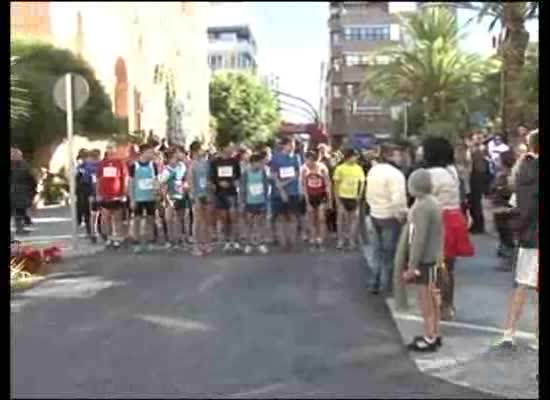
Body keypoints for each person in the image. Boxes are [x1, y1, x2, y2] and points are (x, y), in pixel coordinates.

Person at [493, 130, 538, 350]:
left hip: (529, 237)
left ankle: (509, 332)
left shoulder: (523, 170)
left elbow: (518, 205)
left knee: (521, 285)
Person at [423, 137, 474, 321]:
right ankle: (448, 304)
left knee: (436, 265)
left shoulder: (430, 174)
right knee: (449, 266)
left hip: (438, 218)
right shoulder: (452, 171)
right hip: (455, 216)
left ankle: (440, 304)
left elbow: (424, 199)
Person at [397, 168, 444, 352]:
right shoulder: (433, 202)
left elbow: (417, 238)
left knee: (425, 300)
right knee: (433, 298)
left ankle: (429, 336)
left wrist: (412, 265)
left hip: (424, 260)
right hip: (434, 257)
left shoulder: (421, 206)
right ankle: (435, 333)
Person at [366, 143, 408, 295]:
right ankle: (388, 285)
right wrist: (402, 217)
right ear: (390, 156)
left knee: (377, 251)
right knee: (390, 253)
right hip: (390, 216)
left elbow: (368, 193)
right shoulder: (396, 175)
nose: (401, 157)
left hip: (374, 213)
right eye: (398, 154)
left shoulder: (373, 170)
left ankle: (374, 281)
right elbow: (398, 201)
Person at [270, 137, 302, 251]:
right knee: (281, 217)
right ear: (284, 145)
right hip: (279, 193)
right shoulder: (276, 157)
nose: (292, 146)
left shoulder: (296, 157)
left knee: (292, 216)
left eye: (293, 144)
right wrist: (281, 188)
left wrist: (286, 183)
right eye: (290, 144)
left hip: (293, 191)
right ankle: (282, 242)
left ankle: (292, 241)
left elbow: (297, 173)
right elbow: (273, 174)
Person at [209, 142, 241, 252]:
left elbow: (238, 176)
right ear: (224, 148)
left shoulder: (234, 161)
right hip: (220, 193)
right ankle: (227, 241)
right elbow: (212, 177)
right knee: (224, 218)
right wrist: (218, 183)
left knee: (233, 217)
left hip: (231, 192)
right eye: (229, 147)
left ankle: (235, 240)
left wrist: (233, 183)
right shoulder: (215, 162)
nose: (232, 149)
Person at [96, 143, 128, 249]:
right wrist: (98, 194)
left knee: (117, 219)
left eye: (112, 148)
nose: (110, 150)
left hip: (117, 195)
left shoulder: (120, 163)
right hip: (105, 196)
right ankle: (109, 238)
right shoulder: (102, 163)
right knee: (106, 218)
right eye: (108, 148)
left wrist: (124, 193)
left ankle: (117, 239)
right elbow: (98, 179)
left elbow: (124, 178)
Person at [128, 143, 159, 253]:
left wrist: (157, 193)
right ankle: (136, 242)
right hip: (138, 197)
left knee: (150, 219)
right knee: (137, 220)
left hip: (150, 197)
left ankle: (150, 241)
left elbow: (156, 180)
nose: (152, 154)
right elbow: (131, 183)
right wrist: (132, 198)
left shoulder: (153, 165)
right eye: (150, 152)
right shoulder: (134, 166)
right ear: (143, 152)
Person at [333, 148, 365, 250]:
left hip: (354, 197)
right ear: (348, 157)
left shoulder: (359, 168)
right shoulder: (340, 168)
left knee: (353, 220)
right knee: (341, 220)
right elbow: (336, 184)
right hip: (343, 196)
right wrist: (337, 199)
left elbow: (362, 182)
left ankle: (351, 240)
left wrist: (360, 194)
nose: (355, 158)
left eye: (356, 156)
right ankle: (341, 240)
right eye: (354, 156)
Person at [301, 150, 332, 251]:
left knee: (321, 219)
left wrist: (329, 199)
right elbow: (304, 186)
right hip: (310, 196)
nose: (307, 163)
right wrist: (307, 202)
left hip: (321, 196)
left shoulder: (322, 168)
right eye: (306, 160)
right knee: (311, 219)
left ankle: (320, 240)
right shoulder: (304, 169)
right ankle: (313, 239)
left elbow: (328, 184)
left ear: (313, 160)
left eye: (308, 161)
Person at [241, 153, 270, 255]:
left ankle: (260, 242)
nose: (261, 165)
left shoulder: (263, 172)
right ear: (253, 163)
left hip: (261, 200)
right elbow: (243, 188)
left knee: (260, 223)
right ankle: (249, 243)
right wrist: (243, 201)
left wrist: (266, 200)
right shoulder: (246, 173)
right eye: (259, 163)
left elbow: (266, 186)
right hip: (250, 201)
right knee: (249, 223)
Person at [159, 150, 187, 250]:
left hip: (181, 195)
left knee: (180, 218)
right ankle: (170, 239)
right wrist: (165, 198)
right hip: (170, 196)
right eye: (174, 158)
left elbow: (185, 178)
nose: (176, 159)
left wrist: (185, 185)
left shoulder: (182, 166)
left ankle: (180, 238)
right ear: (170, 159)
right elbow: (162, 185)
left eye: (177, 157)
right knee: (169, 218)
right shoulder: (167, 170)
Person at [491, 150, 516, 261]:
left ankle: (508, 253)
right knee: (503, 230)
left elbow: (508, 190)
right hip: (500, 206)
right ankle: (505, 250)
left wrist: (499, 188)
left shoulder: (508, 175)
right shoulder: (503, 174)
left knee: (505, 230)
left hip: (504, 206)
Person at [189, 141, 212, 256]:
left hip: (206, 194)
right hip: (197, 195)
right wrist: (194, 197)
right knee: (197, 221)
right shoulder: (192, 164)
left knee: (206, 221)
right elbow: (191, 181)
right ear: (195, 151)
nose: (203, 151)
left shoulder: (206, 163)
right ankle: (195, 246)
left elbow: (208, 178)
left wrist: (209, 192)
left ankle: (206, 243)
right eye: (201, 149)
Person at [469, 132, 492, 234]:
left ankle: (479, 226)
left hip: (477, 176)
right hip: (478, 176)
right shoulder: (480, 150)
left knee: (476, 203)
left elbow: (481, 165)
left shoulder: (479, 150)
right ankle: (477, 224)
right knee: (474, 203)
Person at [11, 148, 36, 235]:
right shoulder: (24, 165)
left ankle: (20, 227)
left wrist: (32, 189)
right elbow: (31, 178)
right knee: (19, 210)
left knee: (19, 210)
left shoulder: (24, 165)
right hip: (20, 191)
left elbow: (31, 179)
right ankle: (20, 228)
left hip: (20, 191)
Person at [76, 150, 99, 242]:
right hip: (99, 192)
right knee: (97, 213)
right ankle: (95, 232)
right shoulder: (100, 165)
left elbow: (81, 181)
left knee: (89, 214)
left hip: (87, 192)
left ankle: (91, 232)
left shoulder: (83, 167)